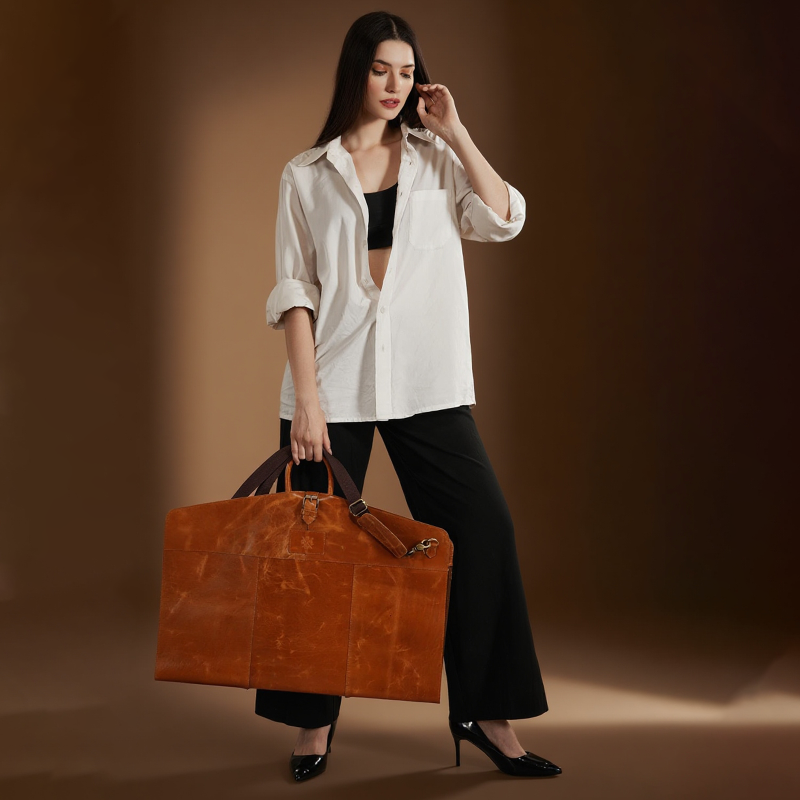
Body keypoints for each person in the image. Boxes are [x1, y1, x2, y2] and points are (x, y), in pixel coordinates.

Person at [256, 10, 562, 783]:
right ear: (355, 73)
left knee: (484, 529)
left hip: (425, 381)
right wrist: (308, 402)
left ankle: (488, 717)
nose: (393, 84)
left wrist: (457, 133)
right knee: (316, 558)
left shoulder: (435, 160)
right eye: (379, 69)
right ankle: (311, 725)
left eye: (405, 70)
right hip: (332, 385)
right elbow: (295, 291)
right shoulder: (307, 173)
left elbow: (503, 219)